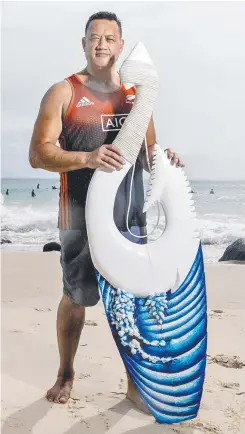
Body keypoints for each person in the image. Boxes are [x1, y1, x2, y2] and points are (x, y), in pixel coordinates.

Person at [29, 11, 184, 409]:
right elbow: (38, 154)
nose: (101, 43)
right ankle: (65, 371)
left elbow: (147, 154)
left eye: (110, 38)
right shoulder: (63, 92)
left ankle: (136, 383)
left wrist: (165, 159)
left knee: (133, 301)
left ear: (120, 45)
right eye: (94, 37)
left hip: (129, 216)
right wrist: (87, 157)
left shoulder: (135, 95)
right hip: (79, 217)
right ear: (83, 44)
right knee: (77, 297)